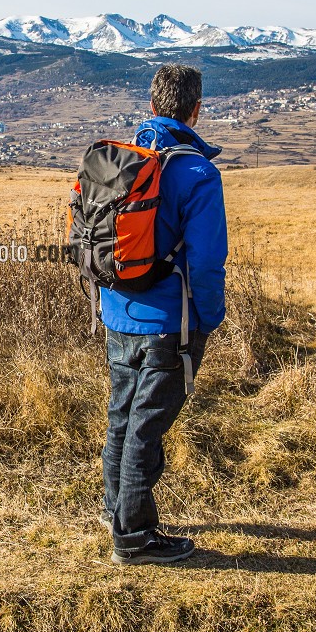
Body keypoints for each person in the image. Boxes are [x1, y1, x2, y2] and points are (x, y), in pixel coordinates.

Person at [99, 63, 227, 565]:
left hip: (117, 312)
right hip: (169, 325)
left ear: (152, 108)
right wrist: (209, 319)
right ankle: (133, 537)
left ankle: (116, 511)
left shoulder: (120, 162)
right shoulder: (197, 174)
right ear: (196, 111)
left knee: (122, 417)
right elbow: (207, 261)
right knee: (146, 428)